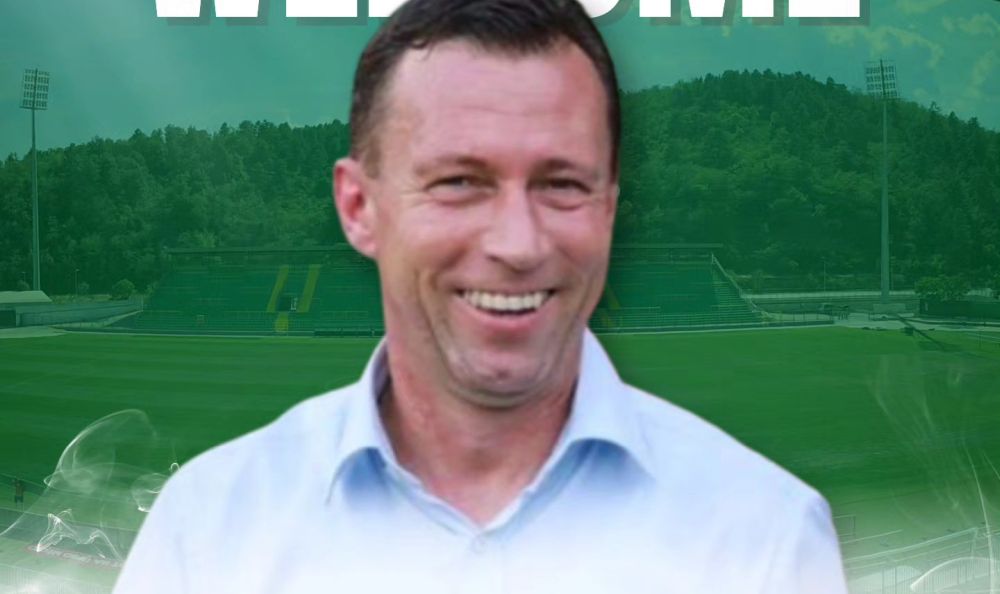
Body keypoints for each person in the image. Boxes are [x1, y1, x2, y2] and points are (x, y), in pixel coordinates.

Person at [114, 0, 848, 592]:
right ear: (359, 207)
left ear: (609, 208)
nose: (518, 243)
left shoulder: (766, 536)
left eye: (562, 183)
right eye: (460, 182)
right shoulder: (207, 531)